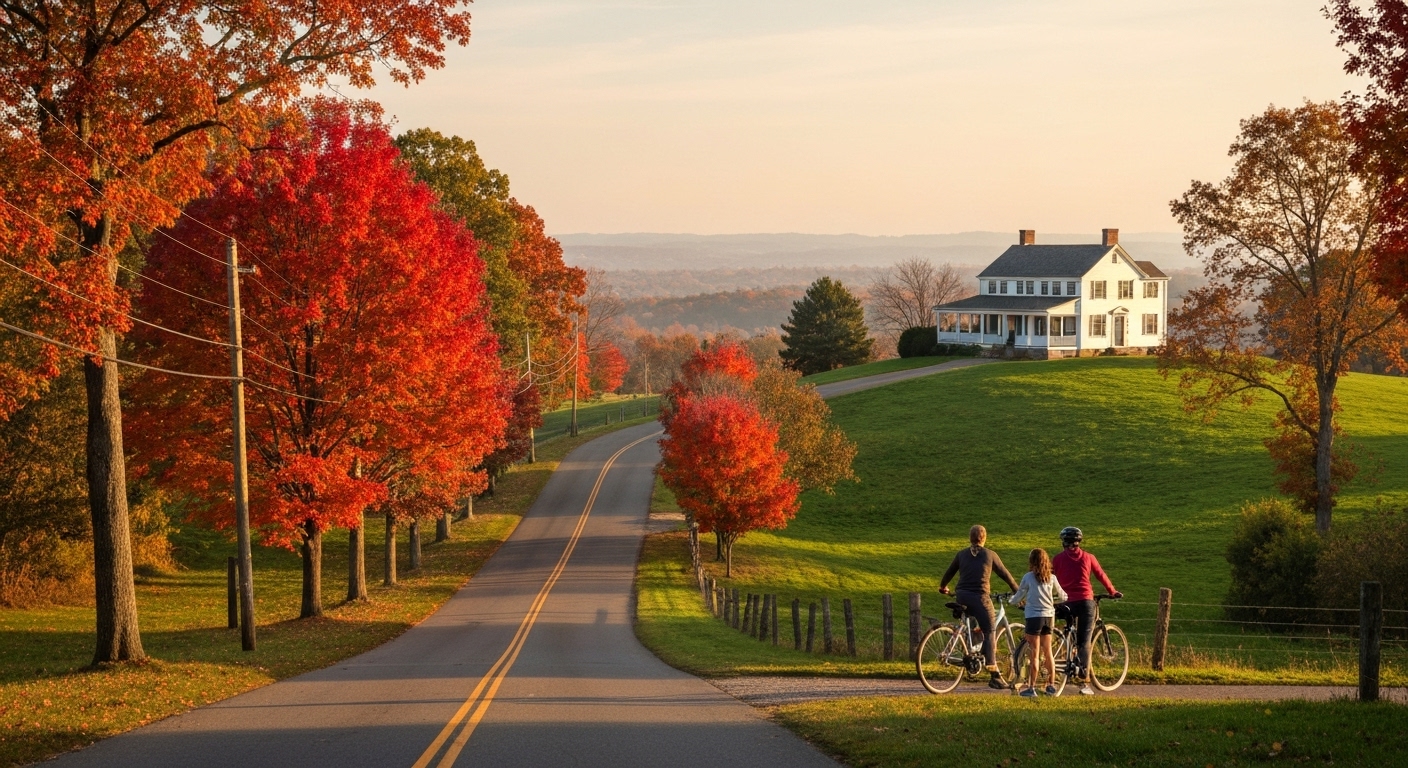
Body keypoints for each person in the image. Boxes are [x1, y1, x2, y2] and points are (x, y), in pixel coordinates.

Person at [939, 524, 1019, 689]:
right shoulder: (990, 555)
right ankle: (994, 673)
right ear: (984, 538)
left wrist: (943, 587)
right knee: (990, 630)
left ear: (970, 538)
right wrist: (1018, 593)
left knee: (972, 625)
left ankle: (974, 655)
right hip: (980, 597)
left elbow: (949, 572)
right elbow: (1006, 575)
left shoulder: (961, 554)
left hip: (962, 595)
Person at [1052, 526, 1121, 696]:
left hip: (1065, 602)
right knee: (1084, 642)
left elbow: (1049, 576)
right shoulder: (1089, 557)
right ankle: (1085, 682)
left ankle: (1062, 655)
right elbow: (1100, 575)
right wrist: (1112, 591)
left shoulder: (1058, 559)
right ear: (1079, 542)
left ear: (1063, 542)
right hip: (1085, 602)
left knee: (1067, 629)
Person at [1011, 548, 1066, 697]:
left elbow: (1019, 595)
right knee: (1048, 652)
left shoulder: (1028, 577)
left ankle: (1032, 687)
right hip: (1049, 617)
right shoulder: (1052, 578)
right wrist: (1053, 601)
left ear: (1032, 562)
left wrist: (1012, 601)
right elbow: (1063, 596)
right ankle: (1051, 685)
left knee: (1034, 653)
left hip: (1034, 617)